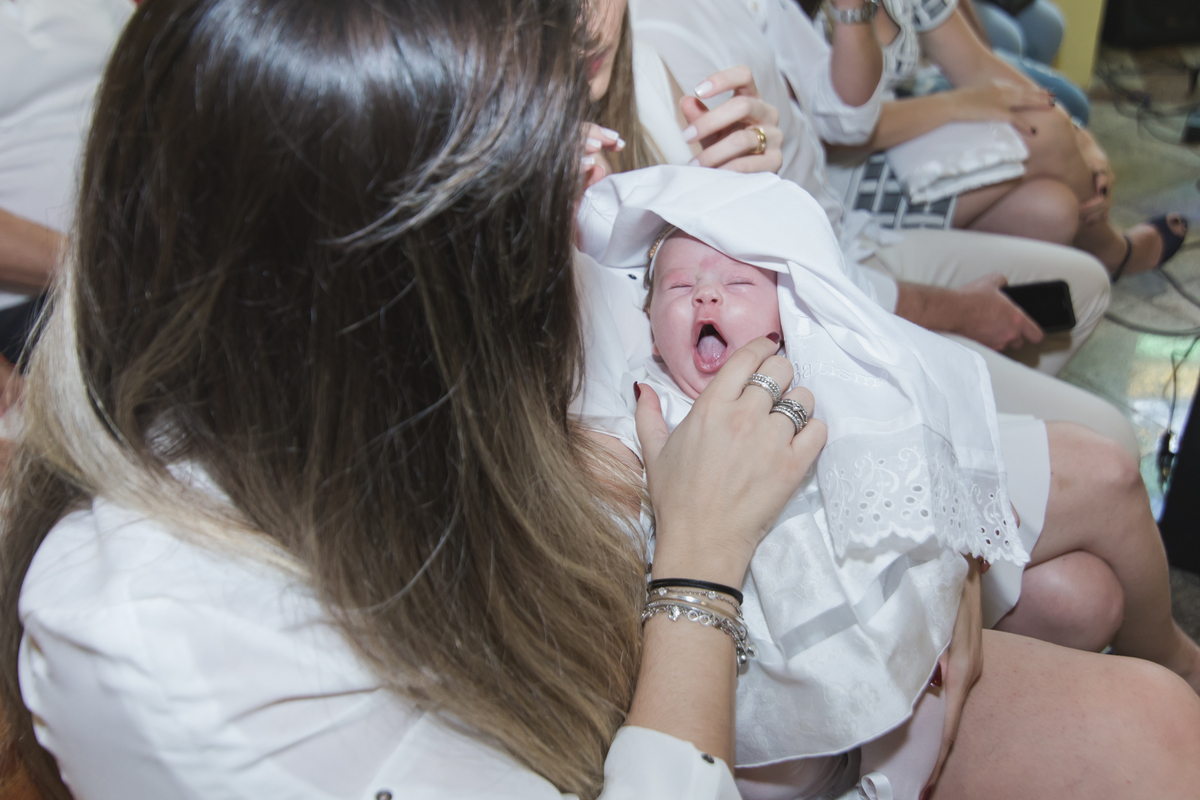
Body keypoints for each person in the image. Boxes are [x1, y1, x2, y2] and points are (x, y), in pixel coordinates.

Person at [0, 1, 828, 797]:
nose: (574, 206)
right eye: (532, 197)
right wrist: (699, 568)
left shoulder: (380, 389)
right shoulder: (170, 643)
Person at [575, 164, 1200, 800]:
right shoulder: (646, 402)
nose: (704, 297)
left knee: (1080, 600)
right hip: (745, 667)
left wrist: (950, 547)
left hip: (872, 612)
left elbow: (904, 425)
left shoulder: (824, 365)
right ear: (646, 314)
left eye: (737, 282)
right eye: (677, 287)